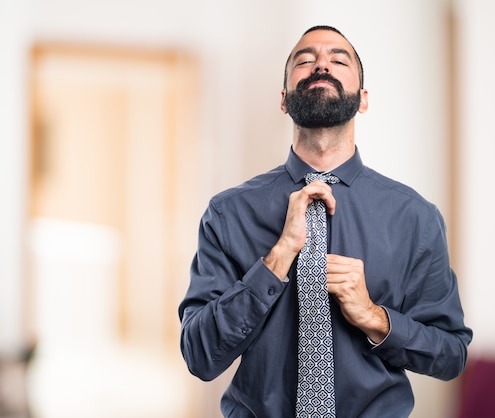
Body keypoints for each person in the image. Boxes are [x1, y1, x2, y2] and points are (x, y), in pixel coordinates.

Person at [178, 25, 473, 417]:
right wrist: (278, 256)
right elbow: (200, 354)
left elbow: (451, 354)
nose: (320, 65)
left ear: (363, 99)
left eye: (338, 60)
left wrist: (373, 316)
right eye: (304, 60)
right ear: (284, 100)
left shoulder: (415, 218)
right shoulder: (228, 213)